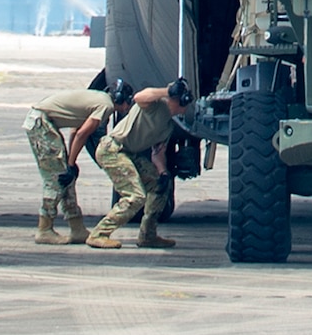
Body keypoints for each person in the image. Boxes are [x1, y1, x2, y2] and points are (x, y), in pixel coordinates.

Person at [87, 77, 194, 250]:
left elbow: (157, 153)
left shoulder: (167, 126)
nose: (185, 106)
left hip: (130, 154)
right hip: (113, 149)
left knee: (159, 187)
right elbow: (139, 97)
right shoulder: (155, 105)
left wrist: (162, 173)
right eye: (183, 101)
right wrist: (167, 92)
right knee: (135, 196)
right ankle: (99, 233)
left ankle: (148, 235)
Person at [23, 79, 130, 245]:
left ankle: (77, 227)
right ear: (121, 99)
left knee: (66, 177)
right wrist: (71, 165)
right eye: (128, 102)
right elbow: (82, 134)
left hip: (44, 122)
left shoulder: (100, 99)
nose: (128, 107)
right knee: (56, 179)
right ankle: (44, 229)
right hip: (41, 123)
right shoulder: (106, 106)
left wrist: (70, 164)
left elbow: (75, 130)